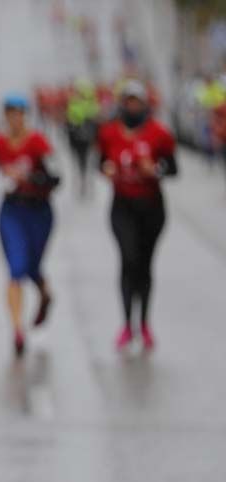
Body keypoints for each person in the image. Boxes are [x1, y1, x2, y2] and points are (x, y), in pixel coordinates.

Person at [0, 94, 60, 357]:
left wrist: (29, 176)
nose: (13, 119)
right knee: (15, 267)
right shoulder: (0, 141)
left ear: (25, 116)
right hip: (11, 211)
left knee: (32, 266)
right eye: (9, 114)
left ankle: (46, 295)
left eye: (18, 113)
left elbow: (56, 178)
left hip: (38, 211)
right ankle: (17, 330)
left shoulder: (37, 142)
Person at [96, 80, 178, 351]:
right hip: (122, 207)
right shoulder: (109, 133)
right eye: (128, 101)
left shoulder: (159, 133)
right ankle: (126, 325)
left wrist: (154, 169)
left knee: (144, 264)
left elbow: (173, 168)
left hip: (151, 207)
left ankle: (144, 323)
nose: (132, 106)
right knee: (128, 259)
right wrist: (106, 170)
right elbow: (101, 162)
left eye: (136, 102)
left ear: (144, 104)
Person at [66, 78, 101, 198]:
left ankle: (86, 184)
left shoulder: (85, 104)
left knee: (84, 163)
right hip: (81, 140)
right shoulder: (84, 104)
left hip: (85, 140)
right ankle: (84, 183)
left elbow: (96, 124)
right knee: (83, 162)